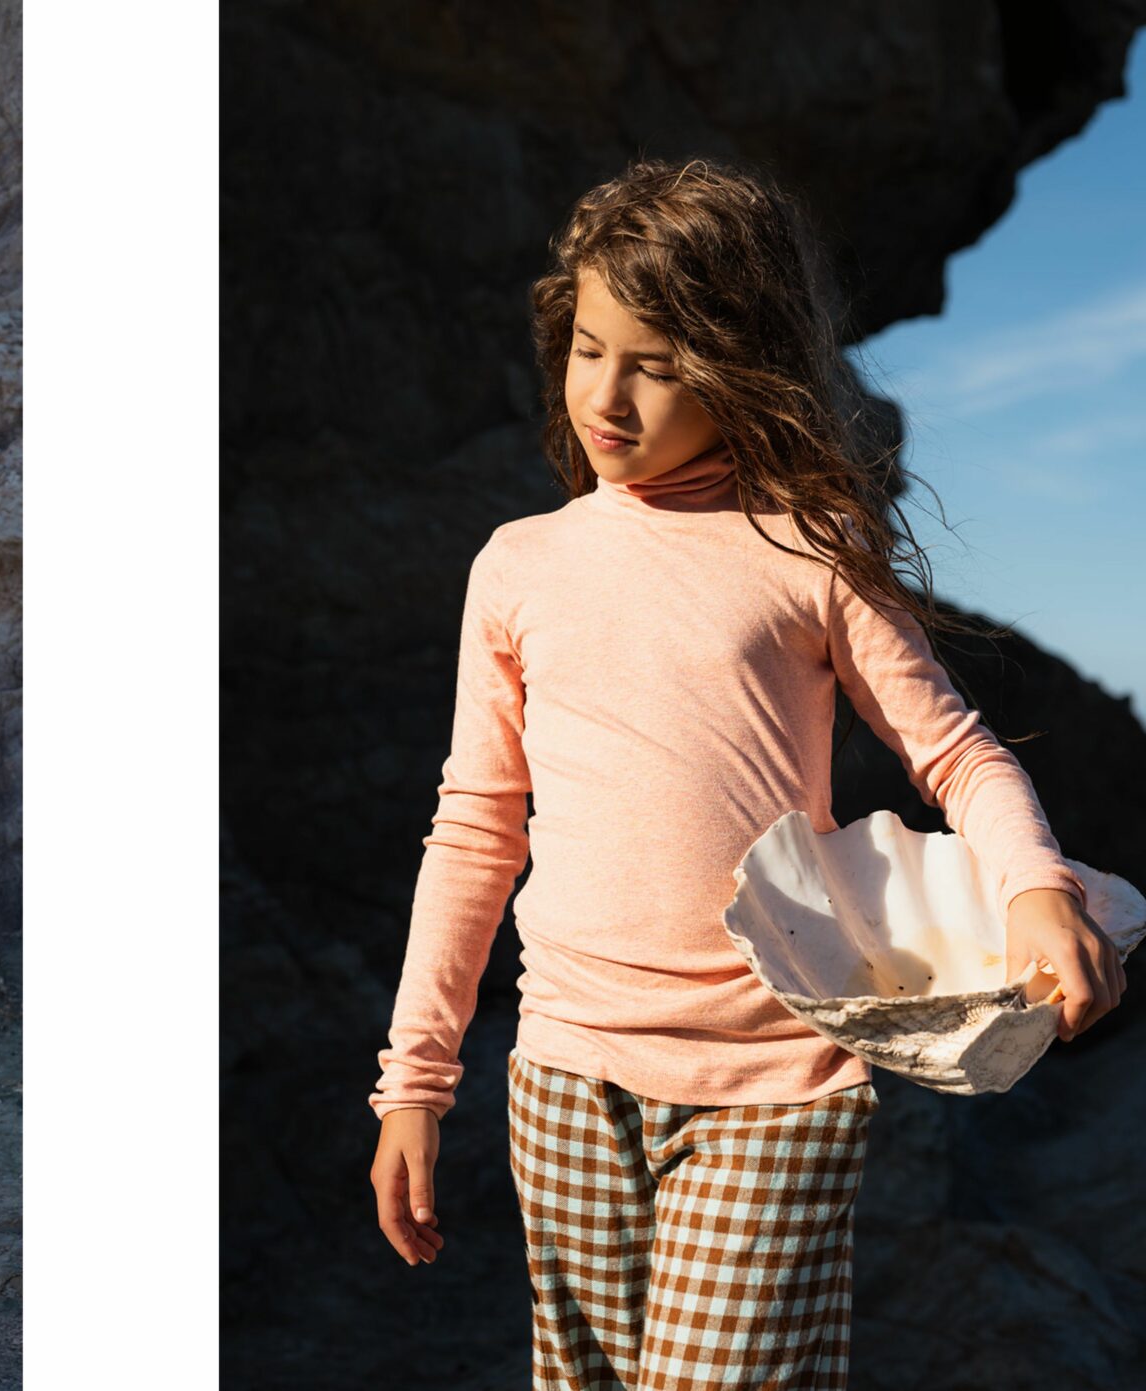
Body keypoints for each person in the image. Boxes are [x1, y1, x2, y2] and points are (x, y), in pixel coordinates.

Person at [365, 157, 1126, 1390]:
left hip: (773, 1084)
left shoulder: (806, 551)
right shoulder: (516, 565)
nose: (606, 396)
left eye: (656, 364)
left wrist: (1036, 885)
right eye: (589, 347)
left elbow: (953, 750)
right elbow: (472, 831)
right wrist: (414, 1082)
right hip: (560, 1071)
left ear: (738, 366)